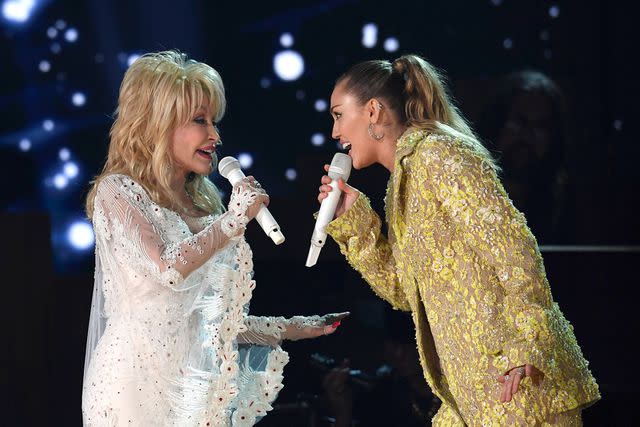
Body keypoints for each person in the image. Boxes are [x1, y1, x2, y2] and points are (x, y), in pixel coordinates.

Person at [316, 55, 599, 425]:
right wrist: (355, 223)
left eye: (339, 115)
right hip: (469, 399)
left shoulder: (440, 155)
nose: (335, 132)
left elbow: (515, 250)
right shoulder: (402, 182)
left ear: (372, 111)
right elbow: (405, 291)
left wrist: (527, 342)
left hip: (518, 387)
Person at [82, 50, 347, 426]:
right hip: (134, 392)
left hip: (194, 388)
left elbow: (213, 325)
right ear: (157, 124)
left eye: (214, 121)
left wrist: (295, 328)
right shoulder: (118, 193)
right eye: (199, 120)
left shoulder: (204, 203)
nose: (214, 135)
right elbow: (169, 268)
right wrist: (234, 220)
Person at [477, 70, 572, 243]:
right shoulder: (469, 192)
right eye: (519, 121)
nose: (527, 135)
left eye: (540, 126)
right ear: (496, 124)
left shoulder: (567, 203)